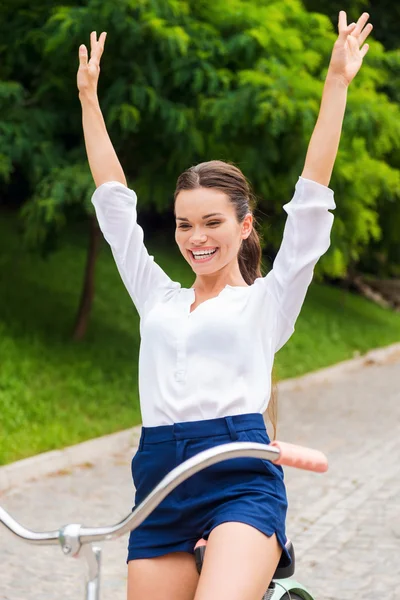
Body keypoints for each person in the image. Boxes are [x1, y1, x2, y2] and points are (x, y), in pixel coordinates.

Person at [77, 10, 372, 600]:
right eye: (186, 225)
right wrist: (89, 98)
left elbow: (312, 203)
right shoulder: (158, 299)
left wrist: (336, 84)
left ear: (243, 225)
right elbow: (115, 209)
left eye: (212, 222)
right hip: (159, 477)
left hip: (239, 477)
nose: (196, 238)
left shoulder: (267, 302)